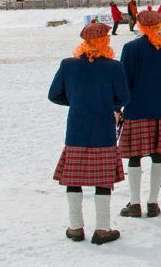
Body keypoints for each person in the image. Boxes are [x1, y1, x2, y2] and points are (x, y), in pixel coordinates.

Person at [48, 20, 129, 245]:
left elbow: (54, 95)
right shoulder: (114, 67)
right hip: (103, 130)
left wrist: (77, 101)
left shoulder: (68, 65)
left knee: (73, 178)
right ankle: (102, 229)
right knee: (103, 180)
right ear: (105, 40)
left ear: (84, 40)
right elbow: (124, 98)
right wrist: (107, 105)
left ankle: (75, 228)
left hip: (76, 129)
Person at [117, 9, 161, 218]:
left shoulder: (131, 48)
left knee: (134, 156)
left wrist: (118, 108)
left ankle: (135, 204)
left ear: (139, 24)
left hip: (135, 108)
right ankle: (153, 203)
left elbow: (123, 82)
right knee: (158, 154)